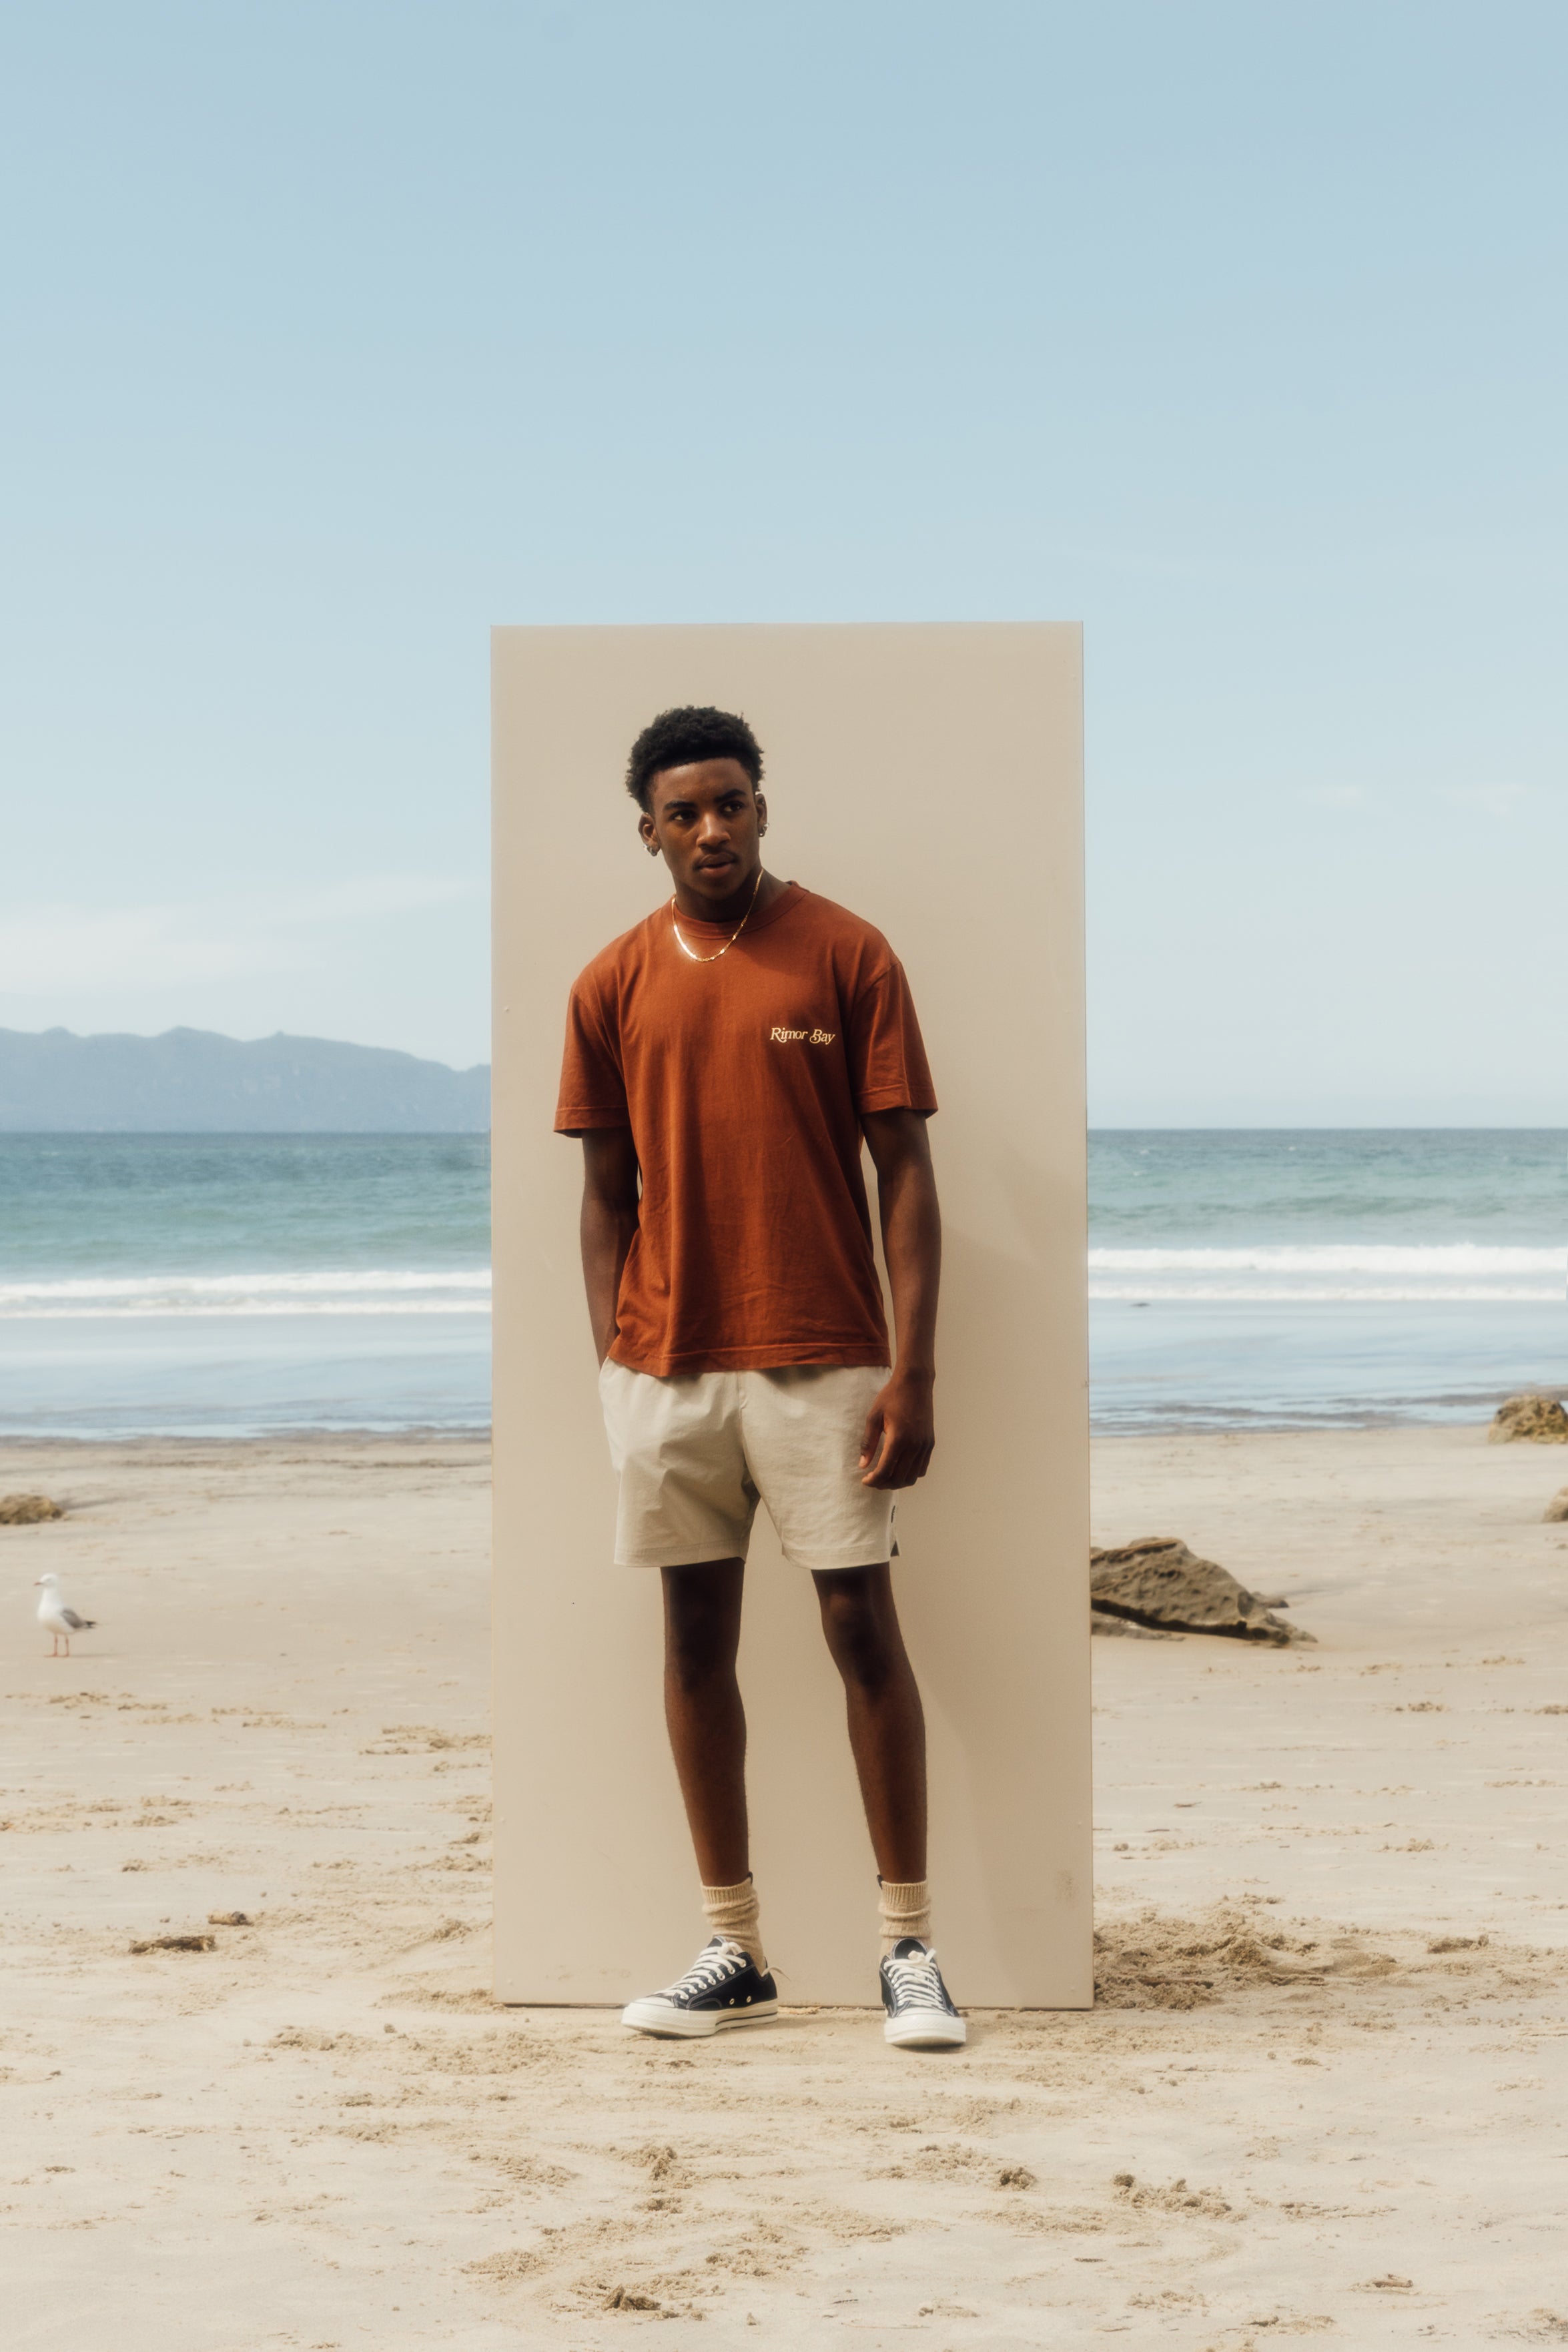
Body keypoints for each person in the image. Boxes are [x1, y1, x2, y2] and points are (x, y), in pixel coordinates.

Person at [555, 705, 963, 2051]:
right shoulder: (610, 980)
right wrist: (612, 1357)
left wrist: (911, 1367)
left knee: (859, 1631)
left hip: (822, 1353)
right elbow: (601, 1193)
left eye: (729, 802)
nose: (710, 828)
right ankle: (733, 1947)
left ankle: (908, 1943)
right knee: (691, 1642)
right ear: (649, 830)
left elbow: (903, 1171)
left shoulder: (844, 951)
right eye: (684, 811)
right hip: (667, 1366)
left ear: (760, 808)